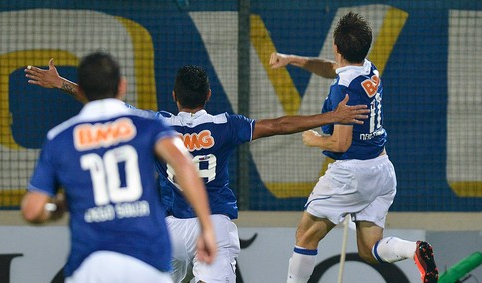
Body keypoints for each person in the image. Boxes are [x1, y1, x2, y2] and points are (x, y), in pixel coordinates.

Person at [24, 62, 369, 282]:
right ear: (208, 94)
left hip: (168, 227)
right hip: (213, 224)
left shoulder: (156, 125)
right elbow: (279, 124)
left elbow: (108, 107)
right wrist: (330, 118)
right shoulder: (225, 126)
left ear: (174, 96)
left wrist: (63, 84)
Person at [269, 12, 439, 283]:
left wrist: (314, 140)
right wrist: (292, 60)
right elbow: (331, 68)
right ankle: (413, 250)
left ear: (336, 47)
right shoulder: (369, 70)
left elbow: (340, 143)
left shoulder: (344, 90)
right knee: (370, 250)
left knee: (305, 235)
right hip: (382, 171)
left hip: (352, 174)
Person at [21, 51, 216, 283]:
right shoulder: (149, 126)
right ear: (122, 87)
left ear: (82, 90)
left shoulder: (60, 138)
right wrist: (206, 227)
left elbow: (32, 210)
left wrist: (58, 208)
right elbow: (184, 165)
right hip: (148, 261)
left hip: (91, 266)